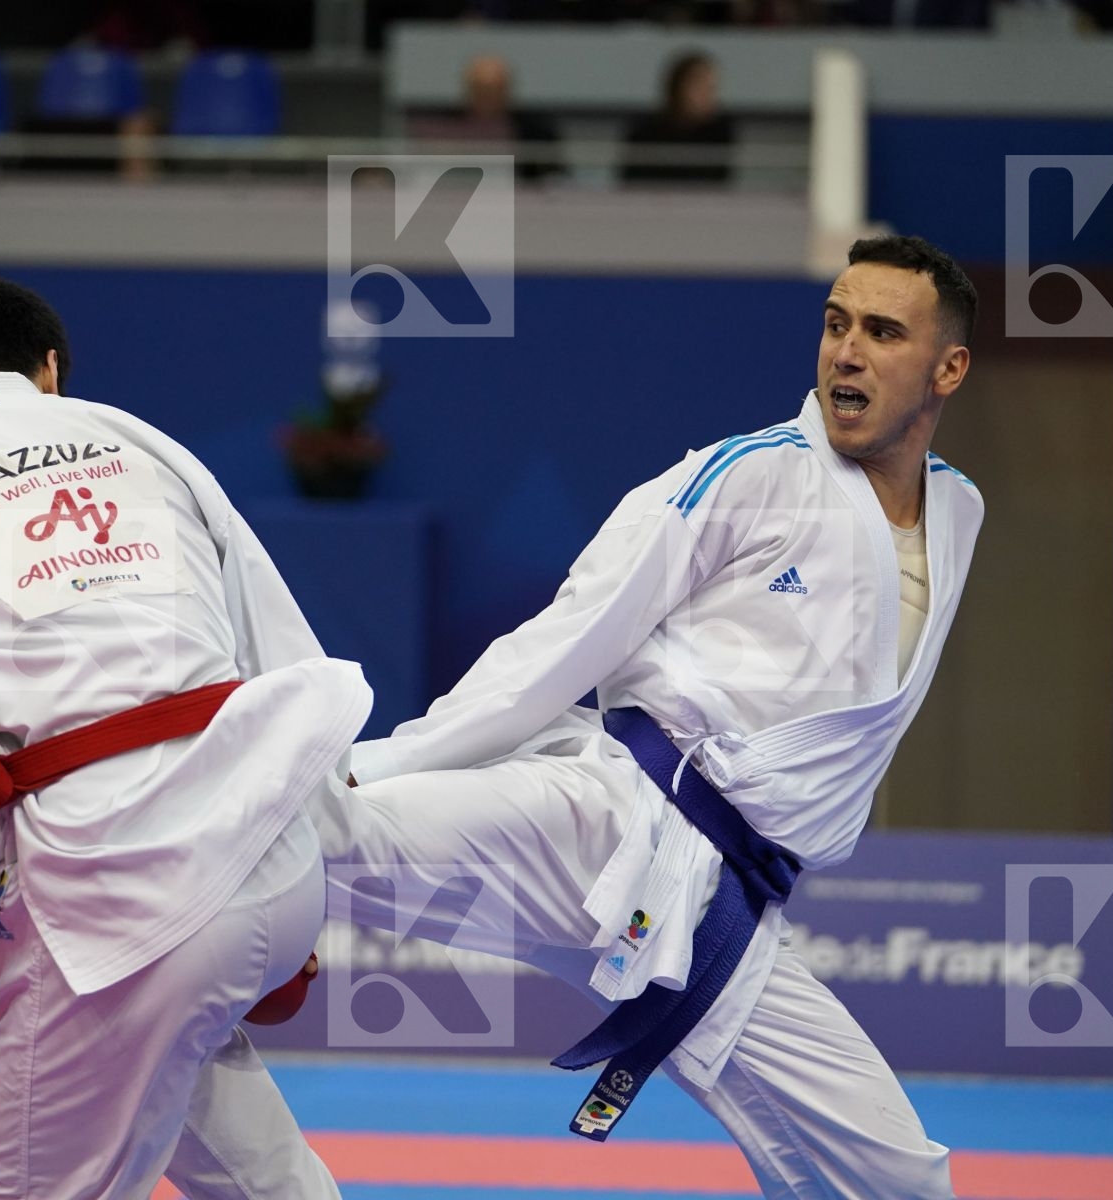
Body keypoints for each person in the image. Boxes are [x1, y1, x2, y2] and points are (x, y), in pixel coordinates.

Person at [314, 234, 980, 1198]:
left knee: (893, 1180)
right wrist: (383, 763)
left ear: (948, 368)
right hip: (609, 818)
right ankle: (103, 816)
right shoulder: (747, 476)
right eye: (836, 324)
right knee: (332, 825)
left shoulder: (960, 512)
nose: (847, 351)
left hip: (728, 902)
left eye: (883, 332)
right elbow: (566, 642)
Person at [0, 277, 368, 1199]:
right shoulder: (141, 439)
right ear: (49, 369)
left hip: (111, 885)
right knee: (243, 1161)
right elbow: (275, 642)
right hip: (263, 844)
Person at [408, 55, 560, 181]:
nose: (488, 96)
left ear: (507, 90)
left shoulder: (535, 131)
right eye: (481, 89)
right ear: (467, 89)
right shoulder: (443, 125)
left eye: (494, 89)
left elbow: (553, 178)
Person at [622, 52, 736, 185]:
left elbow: (720, 183)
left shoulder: (720, 132)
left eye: (711, 88)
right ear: (678, 87)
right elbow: (632, 183)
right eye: (700, 86)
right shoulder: (645, 131)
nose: (707, 95)